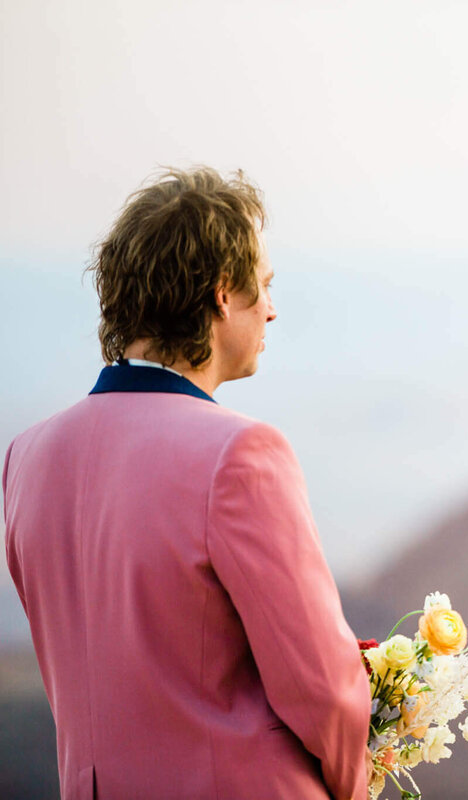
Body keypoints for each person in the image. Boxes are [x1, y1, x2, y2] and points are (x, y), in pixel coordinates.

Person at [3, 167, 371, 799]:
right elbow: (322, 690)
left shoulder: (25, 457)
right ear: (223, 292)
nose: (274, 309)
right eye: (265, 286)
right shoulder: (242, 454)